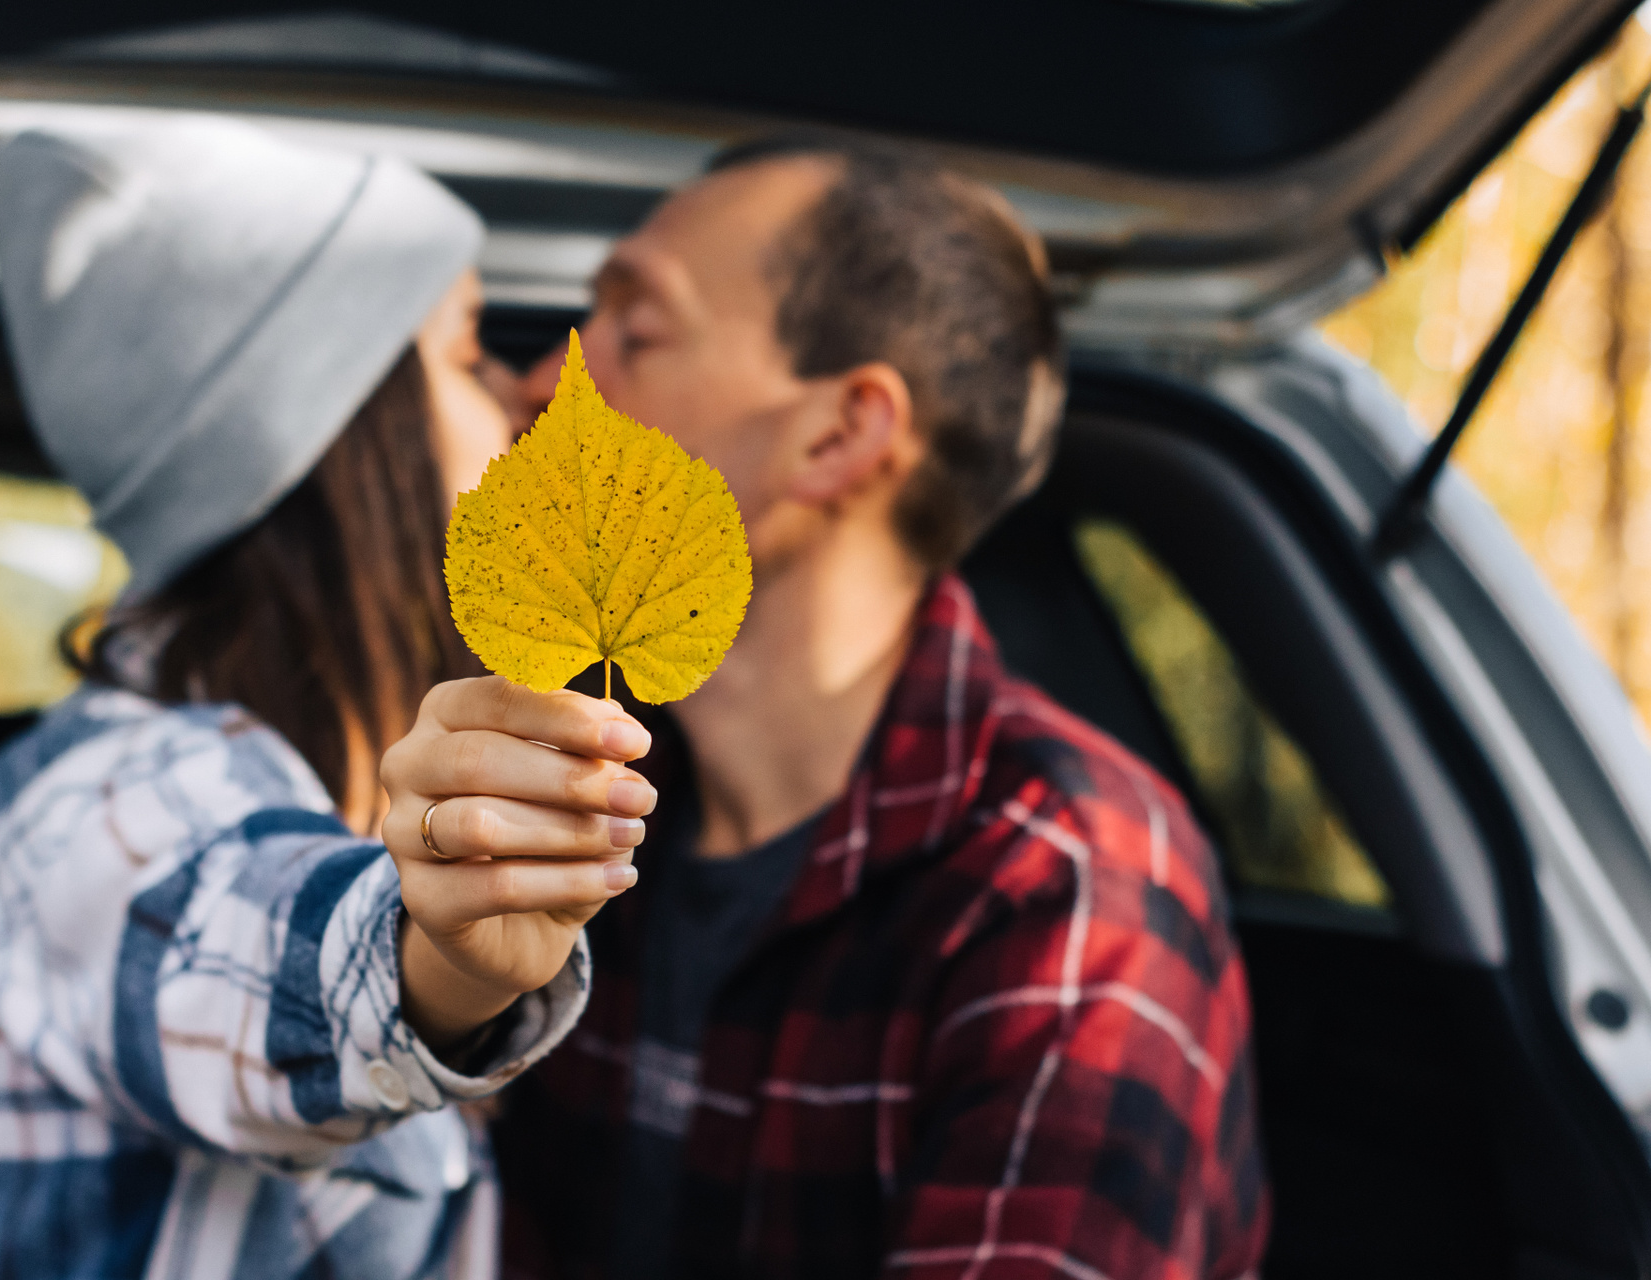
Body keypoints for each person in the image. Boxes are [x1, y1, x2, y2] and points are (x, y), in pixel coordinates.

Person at [379, 136, 1269, 1278]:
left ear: (839, 435)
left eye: (635, 333)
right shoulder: (579, 802)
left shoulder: (1069, 881)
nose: (543, 379)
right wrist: (440, 993)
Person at [0, 119, 657, 1280]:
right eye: (466, 350)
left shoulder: (299, 775)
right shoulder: (98, 799)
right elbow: (230, 947)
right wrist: (435, 956)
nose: (516, 398)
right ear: (342, 437)